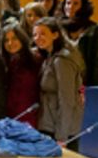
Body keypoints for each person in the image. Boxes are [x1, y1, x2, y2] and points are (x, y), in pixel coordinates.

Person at [33, 17, 85, 149]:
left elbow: (67, 101)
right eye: (35, 34)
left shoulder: (62, 61)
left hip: (61, 131)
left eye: (43, 33)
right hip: (49, 124)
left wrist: (62, 137)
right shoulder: (49, 56)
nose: (38, 38)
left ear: (55, 35)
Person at [61, 0, 98, 86]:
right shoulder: (59, 28)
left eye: (76, 4)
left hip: (87, 84)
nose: (70, 7)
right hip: (65, 82)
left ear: (83, 7)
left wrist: (94, 89)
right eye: (68, 3)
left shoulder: (95, 30)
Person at [1, 23, 41, 128]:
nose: (10, 43)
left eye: (14, 38)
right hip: (9, 116)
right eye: (6, 40)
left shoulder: (36, 59)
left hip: (30, 116)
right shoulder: (5, 62)